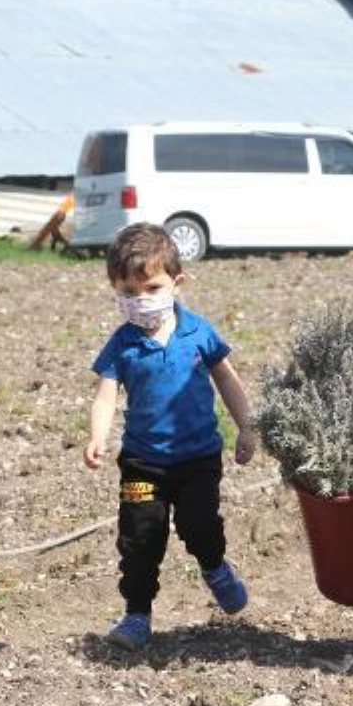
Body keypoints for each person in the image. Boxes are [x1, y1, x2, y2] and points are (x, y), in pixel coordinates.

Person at [84, 222, 257, 651]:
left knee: (200, 524)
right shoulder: (122, 344)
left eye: (152, 288)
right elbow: (105, 396)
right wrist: (97, 437)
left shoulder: (198, 332)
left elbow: (227, 379)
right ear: (114, 289)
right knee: (140, 537)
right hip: (143, 464)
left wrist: (247, 426)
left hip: (198, 458)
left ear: (177, 283)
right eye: (128, 291)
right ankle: (136, 616)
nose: (140, 300)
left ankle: (215, 567)